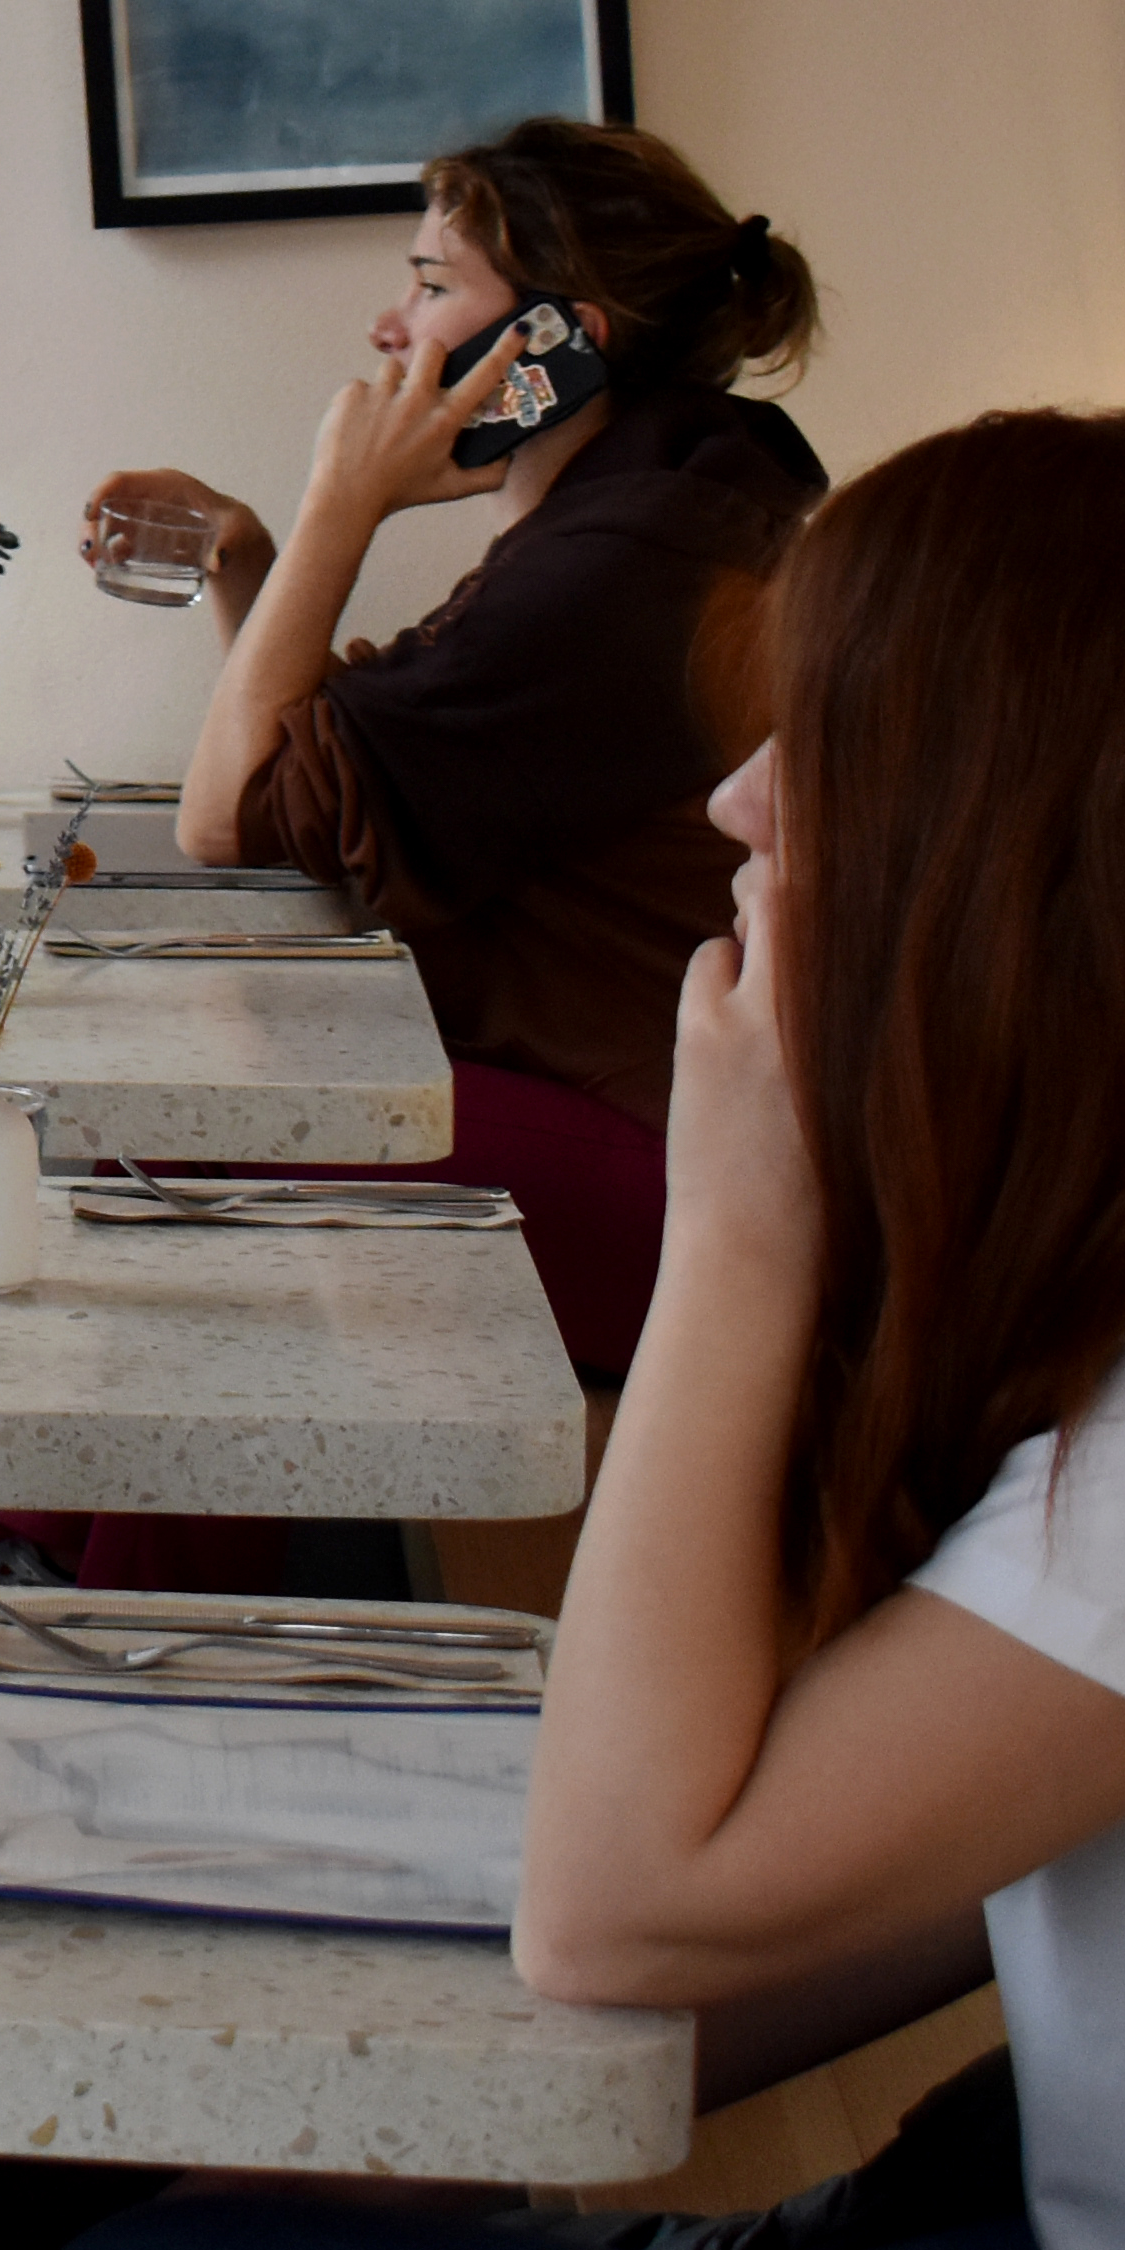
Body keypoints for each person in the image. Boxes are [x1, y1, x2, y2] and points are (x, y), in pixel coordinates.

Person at [23, 410, 1125, 2250]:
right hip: (1092, 2231)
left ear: (1007, 822)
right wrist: (382, 2135)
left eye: (815, 743)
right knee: (231, 2232)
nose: (738, 803)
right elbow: (914, 1857)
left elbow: (618, 1909)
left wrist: (738, 1217)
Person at [81, 120, 825, 1380]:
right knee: (203, 1091)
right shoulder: (657, 513)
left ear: (555, 345)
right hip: (655, 1129)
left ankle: (65, 1553)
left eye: (431, 286)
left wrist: (342, 500)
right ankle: (99, 1548)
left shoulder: (621, 573)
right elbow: (329, 778)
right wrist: (252, 557)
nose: (388, 326)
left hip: (668, 1173)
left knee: (194, 1120)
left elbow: (229, 816)